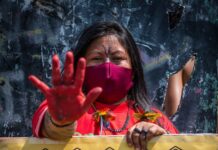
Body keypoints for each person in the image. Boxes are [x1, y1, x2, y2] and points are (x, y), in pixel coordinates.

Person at [29, 21, 178, 150]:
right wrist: (62, 121)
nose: (107, 66)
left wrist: (161, 142)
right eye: (97, 58)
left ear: (133, 71)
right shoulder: (62, 107)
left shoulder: (154, 120)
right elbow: (53, 129)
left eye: (117, 58)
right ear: (82, 68)